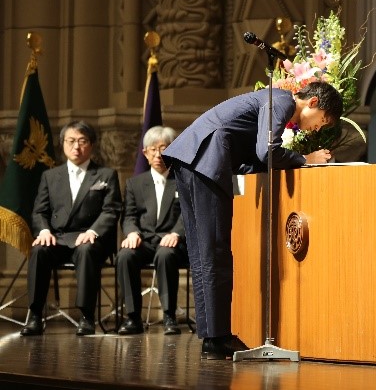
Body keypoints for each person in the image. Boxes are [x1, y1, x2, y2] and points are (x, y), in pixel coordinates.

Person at [162, 81, 343, 360]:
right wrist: (306, 159)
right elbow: (267, 151)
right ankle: (217, 336)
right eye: (322, 122)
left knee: (204, 254)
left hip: (192, 160)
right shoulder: (282, 100)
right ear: (313, 103)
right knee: (214, 252)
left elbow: (253, 154)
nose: (317, 128)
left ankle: (213, 337)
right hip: (204, 160)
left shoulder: (275, 101)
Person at [20, 120, 122, 337]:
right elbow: (39, 211)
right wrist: (44, 231)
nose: (77, 147)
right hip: (58, 237)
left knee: (86, 250)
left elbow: (111, 210)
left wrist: (93, 231)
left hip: (91, 237)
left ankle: (86, 317)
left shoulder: (105, 175)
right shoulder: (50, 176)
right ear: (62, 144)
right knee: (38, 250)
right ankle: (35, 315)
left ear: (91, 145)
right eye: (71, 141)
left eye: (82, 141)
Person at [116, 126, 187, 336]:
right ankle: (132, 317)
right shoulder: (134, 183)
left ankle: (169, 316)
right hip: (145, 240)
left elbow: (188, 214)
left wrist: (176, 233)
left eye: (164, 148)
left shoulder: (183, 180)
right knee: (125, 256)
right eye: (153, 149)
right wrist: (132, 233)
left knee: (166, 255)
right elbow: (128, 216)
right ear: (145, 153)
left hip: (174, 242)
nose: (158, 154)